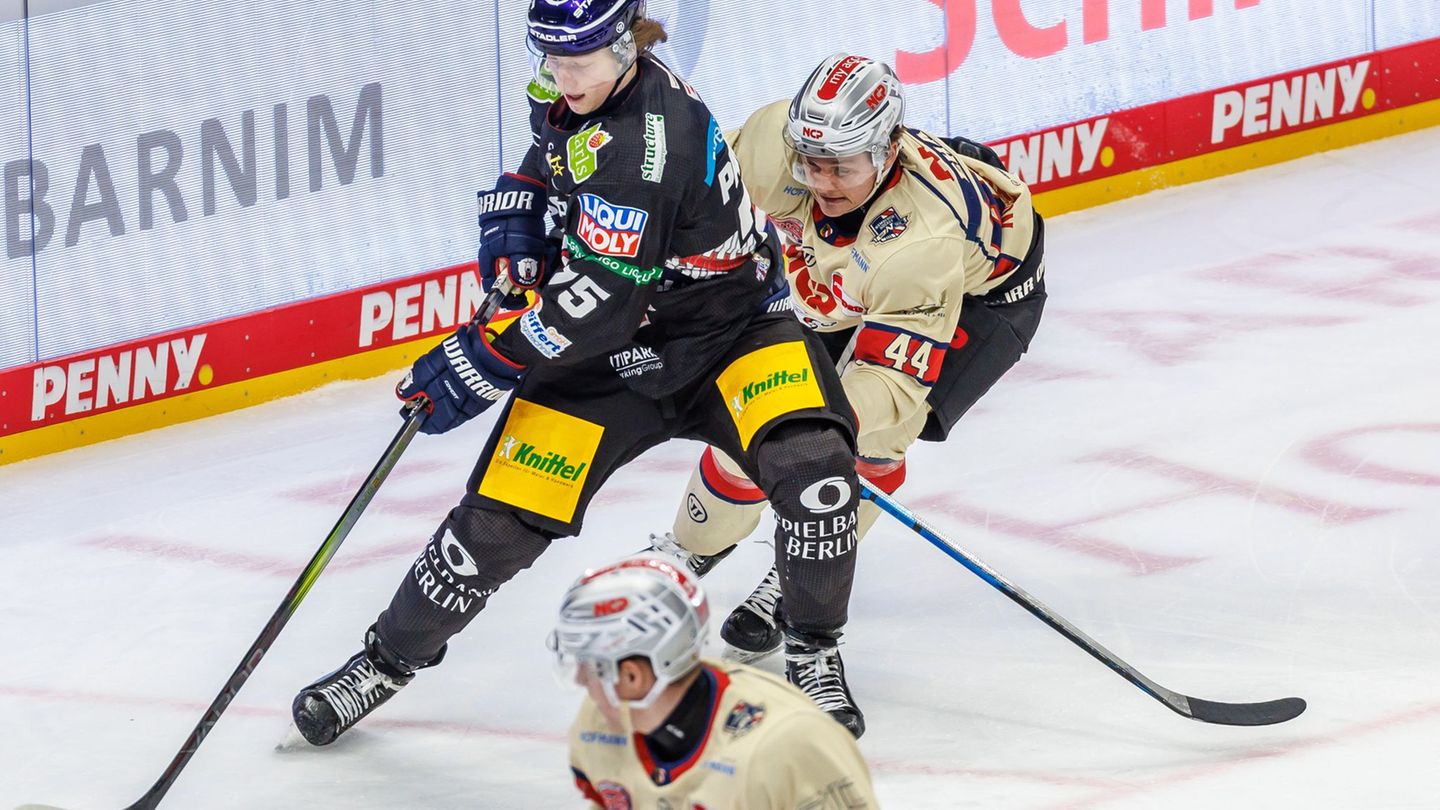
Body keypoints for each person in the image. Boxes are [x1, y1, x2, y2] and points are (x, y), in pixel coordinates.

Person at [290, 0, 869, 745]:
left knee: (816, 472)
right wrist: (516, 215)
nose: (563, 77)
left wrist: (481, 361)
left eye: (580, 60)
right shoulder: (571, 86)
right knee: (490, 532)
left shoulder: (646, 149)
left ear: (627, 47)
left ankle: (814, 648)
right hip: (612, 356)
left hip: (728, 334)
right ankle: (383, 662)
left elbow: (599, 306)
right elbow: (550, 157)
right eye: (552, 57)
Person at [653, 54, 1047, 664]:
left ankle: (798, 574)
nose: (822, 182)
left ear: (887, 152)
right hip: (851, 284)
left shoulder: (922, 243)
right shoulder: (773, 143)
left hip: (976, 299)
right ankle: (686, 553)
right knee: (749, 431)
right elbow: (685, 207)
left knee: (866, 440)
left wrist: (793, 420)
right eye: (811, 162)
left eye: (842, 166)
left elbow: (890, 388)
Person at [554, 554, 878, 808]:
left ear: (632, 676)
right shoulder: (598, 727)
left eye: (589, 663)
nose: (581, 679)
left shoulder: (788, 747)